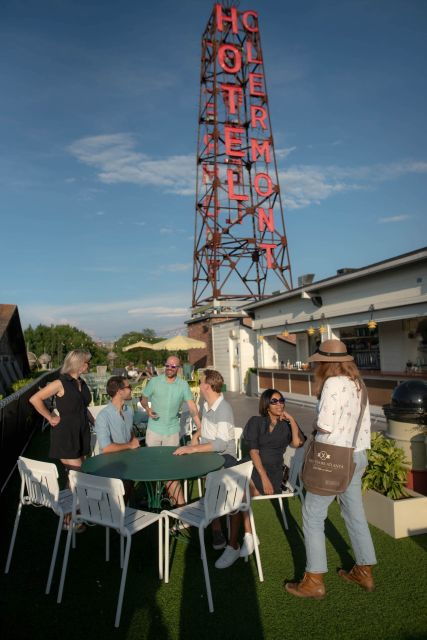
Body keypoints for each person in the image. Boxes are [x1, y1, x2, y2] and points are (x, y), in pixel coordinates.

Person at [285, 339, 377, 600]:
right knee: (354, 513)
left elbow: (325, 424)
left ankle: (313, 580)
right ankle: (364, 570)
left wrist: (314, 421)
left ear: (325, 364)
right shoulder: (358, 384)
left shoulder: (332, 384)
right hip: (356, 456)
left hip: (332, 460)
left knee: (312, 514)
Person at [214, 388, 304, 569]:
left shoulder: (286, 425)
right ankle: (247, 535)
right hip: (254, 467)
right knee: (231, 479)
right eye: (274, 401)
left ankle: (234, 544)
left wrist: (292, 420)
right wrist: (262, 477)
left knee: (237, 492)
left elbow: (297, 443)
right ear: (266, 405)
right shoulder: (256, 422)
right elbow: (253, 451)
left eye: (281, 400)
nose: (280, 404)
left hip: (274, 473)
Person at [174, 369, 236, 549]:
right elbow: (208, 429)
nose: (199, 385)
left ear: (207, 386)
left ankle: (216, 529)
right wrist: (196, 434)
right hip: (210, 454)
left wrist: (193, 448)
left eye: (200, 382)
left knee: (210, 479)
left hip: (224, 457)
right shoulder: (207, 405)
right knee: (181, 464)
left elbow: (221, 445)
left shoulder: (223, 408)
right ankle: (186, 512)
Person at [140, 355, 202, 505]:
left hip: (173, 431)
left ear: (178, 368)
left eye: (173, 366)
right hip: (154, 430)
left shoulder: (183, 385)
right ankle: (153, 498)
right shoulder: (154, 381)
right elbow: (143, 398)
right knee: (152, 464)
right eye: (167, 365)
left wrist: (200, 427)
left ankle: (175, 502)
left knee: (170, 466)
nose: (169, 368)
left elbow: (192, 407)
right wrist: (147, 409)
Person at [29, 349, 92, 472]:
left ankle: (70, 491)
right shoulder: (60, 383)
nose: (89, 365)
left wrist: (95, 422)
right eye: (88, 362)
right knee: (80, 474)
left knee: (77, 475)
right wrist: (50, 417)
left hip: (81, 433)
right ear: (80, 364)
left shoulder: (81, 383)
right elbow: (35, 399)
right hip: (66, 435)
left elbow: (83, 407)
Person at [94, 376, 140, 454]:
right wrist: (130, 445)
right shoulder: (103, 416)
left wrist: (133, 439)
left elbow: (129, 431)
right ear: (120, 391)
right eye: (129, 387)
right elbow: (106, 448)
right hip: (111, 462)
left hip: (128, 457)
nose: (131, 389)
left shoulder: (128, 410)